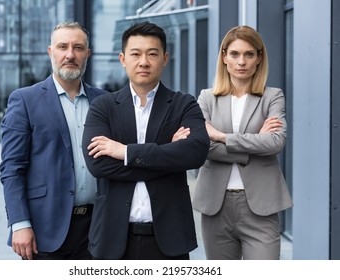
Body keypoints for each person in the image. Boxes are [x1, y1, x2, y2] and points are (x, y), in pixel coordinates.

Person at [81, 21, 210, 260]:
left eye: (152, 54)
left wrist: (126, 153)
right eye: (136, 54)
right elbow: (97, 164)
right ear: (123, 59)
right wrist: (169, 154)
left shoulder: (184, 104)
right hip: (114, 238)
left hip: (169, 238)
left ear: (165, 58)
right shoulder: (103, 106)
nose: (144, 61)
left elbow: (196, 153)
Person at [0, 22, 107, 260]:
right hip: (45, 229)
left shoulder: (105, 101)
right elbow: (11, 169)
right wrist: (19, 223)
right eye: (63, 47)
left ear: (87, 54)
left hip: (99, 228)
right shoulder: (25, 100)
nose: (70, 54)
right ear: (51, 52)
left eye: (78, 48)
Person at [192, 25, 293, 260]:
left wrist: (221, 136)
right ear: (224, 57)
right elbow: (200, 146)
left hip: (261, 205)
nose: (242, 62)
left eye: (249, 54)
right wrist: (254, 143)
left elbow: (275, 142)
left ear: (259, 58)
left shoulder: (272, 96)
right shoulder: (207, 98)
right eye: (235, 54)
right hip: (216, 204)